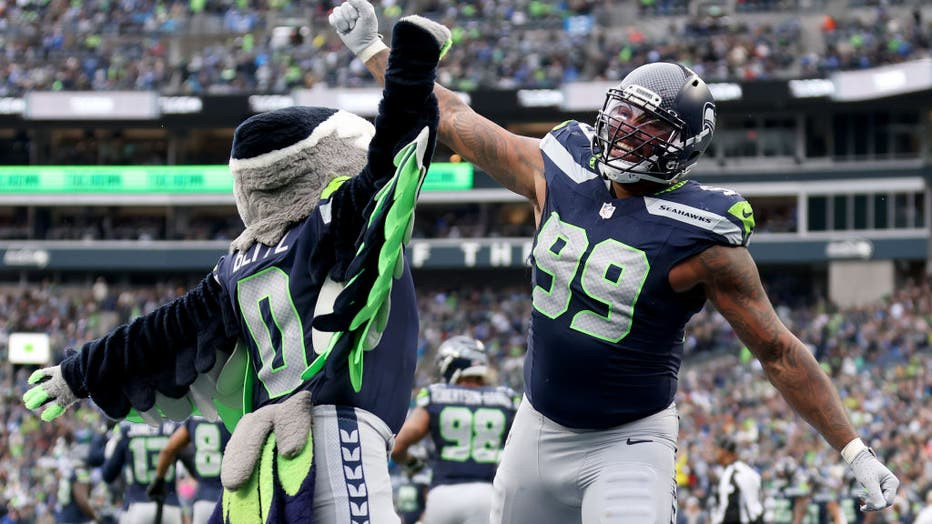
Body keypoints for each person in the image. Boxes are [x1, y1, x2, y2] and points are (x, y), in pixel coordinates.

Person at [329, 3, 900, 522]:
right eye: (624, 113)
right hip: (535, 428)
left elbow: (777, 350)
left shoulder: (702, 235)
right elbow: (451, 116)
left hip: (629, 443)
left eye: (649, 126)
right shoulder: (560, 167)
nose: (626, 131)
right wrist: (374, 52)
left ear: (684, 146)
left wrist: (854, 449)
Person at [23, 17, 451, 524]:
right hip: (339, 429)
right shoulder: (327, 227)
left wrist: (78, 372)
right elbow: (391, 159)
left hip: (267, 449)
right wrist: (412, 63)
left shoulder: (232, 268)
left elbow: (158, 331)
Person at [390, 336, 519, 524]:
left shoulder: (437, 394)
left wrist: (412, 464)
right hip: (487, 494)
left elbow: (398, 445)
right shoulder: (506, 399)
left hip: (443, 495)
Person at [148, 417, 231, 524]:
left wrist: (159, 479)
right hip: (230, 500)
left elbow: (168, 450)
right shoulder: (233, 415)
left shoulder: (194, 420)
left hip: (203, 502)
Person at [101, 421, 184, 524]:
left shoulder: (126, 429)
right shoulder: (174, 427)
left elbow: (108, 475)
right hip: (170, 504)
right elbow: (191, 463)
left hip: (138, 503)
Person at [709, 437, 763, 524]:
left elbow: (752, 509)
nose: (714, 453)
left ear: (724, 452)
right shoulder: (729, 471)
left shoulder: (738, 473)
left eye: (717, 450)